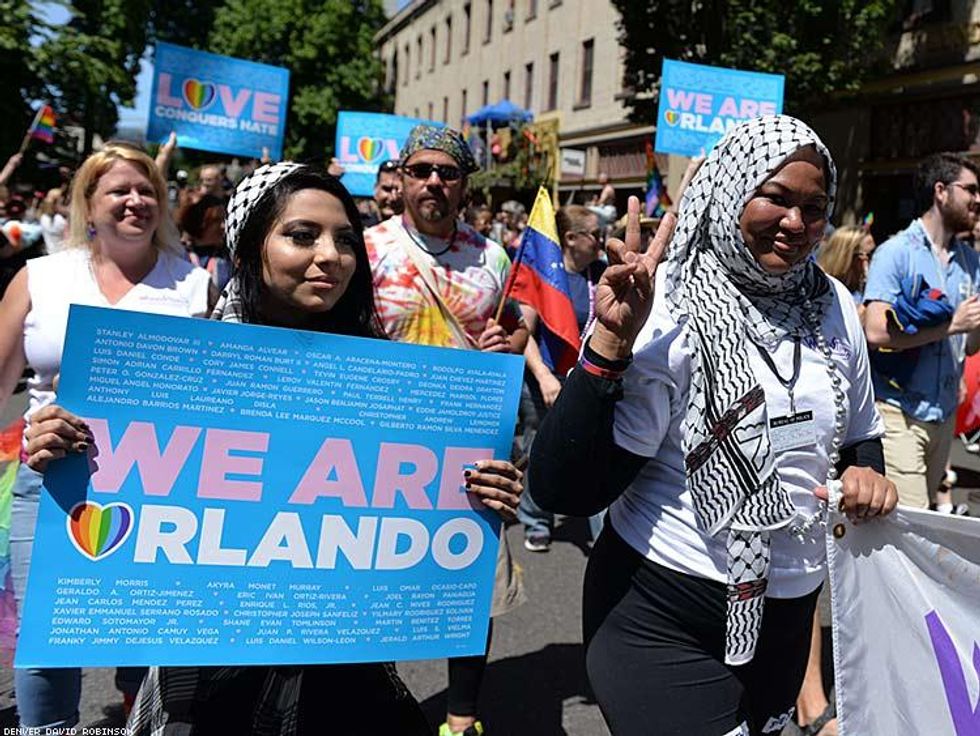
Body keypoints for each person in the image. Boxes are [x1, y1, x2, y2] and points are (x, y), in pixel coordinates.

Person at [22, 162, 524, 735]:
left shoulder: (389, 384)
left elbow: (424, 506)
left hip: (343, 672)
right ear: (249, 247)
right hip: (207, 682)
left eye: (344, 239)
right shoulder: (177, 373)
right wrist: (59, 445)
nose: (331, 255)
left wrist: (486, 489)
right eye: (302, 235)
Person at [529, 116, 898, 735]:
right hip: (661, 609)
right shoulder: (663, 299)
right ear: (730, 190)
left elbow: (859, 432)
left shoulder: (833, 301)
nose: (797, 224)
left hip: (785, 612)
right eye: (776, 198)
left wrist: (866, 473)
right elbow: (563, 489)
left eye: (815, 207)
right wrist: (612, 345)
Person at [0, 141, 214, 731]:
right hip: (50, 484)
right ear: (87, 205)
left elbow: (219, 400)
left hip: (164, 492)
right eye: (119, 189)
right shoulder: (39, 278)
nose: (135, 200)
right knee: (45, 638)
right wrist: (29, 434)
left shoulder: (195, 288)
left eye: (147, 189)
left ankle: (137, 714)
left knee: (149, 640)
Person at [364, 124, 528, 736]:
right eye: (422, 170)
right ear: (402, 178)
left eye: (449, 172)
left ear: (464, 185)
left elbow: (515, 330)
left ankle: (462, 719)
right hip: (380, 441)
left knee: (469, 583)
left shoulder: (491, 257)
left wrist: (506, 343)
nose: (435, 181)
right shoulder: (367, 248)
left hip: (468, 444)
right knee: (374, 575)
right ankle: (366, 703)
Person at [864, 152, 980, 511]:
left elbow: (972, 345)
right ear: (941, 191)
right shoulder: (896, 252)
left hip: (943, 414)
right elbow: (875, 332)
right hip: (899, 410)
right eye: (971, 190)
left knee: (925, 512)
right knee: (912, 519)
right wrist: (951, 326)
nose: (978, 200)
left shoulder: (970, 261)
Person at [517, 205, 607, 552]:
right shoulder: (544, 275)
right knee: (539, 450)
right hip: (544, 380)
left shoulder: (600, 273)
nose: (601, 240)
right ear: (570, 238)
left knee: (592, 453)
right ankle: (536, 520)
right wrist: (543, 376)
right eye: (595, 234)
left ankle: (603, 535)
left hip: (584, 379)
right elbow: (524, 332)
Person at [816, 225, 875, 318]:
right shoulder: (820, 289)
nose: (873, 260)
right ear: (847, 256)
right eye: (871, 254)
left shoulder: (862, 289)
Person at [178, 193, 231, 290]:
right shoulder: (179, 257)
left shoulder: (228, 258)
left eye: (224, 220)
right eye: (216, 220)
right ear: (201, 222)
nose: (223, 226)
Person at [38, 188, 69, 254]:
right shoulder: (61, 220)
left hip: (50, 253)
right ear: (56, 204)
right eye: (63, 202)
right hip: (64, 254)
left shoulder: (43, 218)